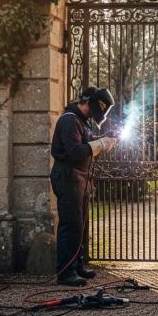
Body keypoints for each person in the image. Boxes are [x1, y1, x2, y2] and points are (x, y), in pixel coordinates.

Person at [50, 86, 117, 286]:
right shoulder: (69, 120)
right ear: (87, 102)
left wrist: (102, 140)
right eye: (95, 109)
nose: (94, 114)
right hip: (68, 177)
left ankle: (77, 265)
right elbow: (75, 152)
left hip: (80, 178)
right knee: (71, 225)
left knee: (80, 225)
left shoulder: (81, 121)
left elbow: (85, 143)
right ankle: (65, 273)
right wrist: (100, 144)